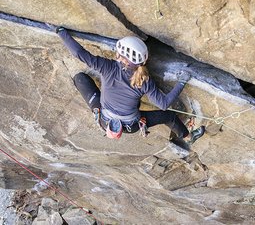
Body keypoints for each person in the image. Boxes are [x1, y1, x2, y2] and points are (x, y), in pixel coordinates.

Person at [56, 26, 205, 150]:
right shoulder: (144, 80)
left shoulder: (107, 67)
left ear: (121, 56)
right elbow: (164, 104)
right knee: (170, 117)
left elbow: (79, 53)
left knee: (80, 78)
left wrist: (61, 32)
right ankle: (189, 137)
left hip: (105, 120)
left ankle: (188, 137)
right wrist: (182, 81)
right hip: (131, 125)